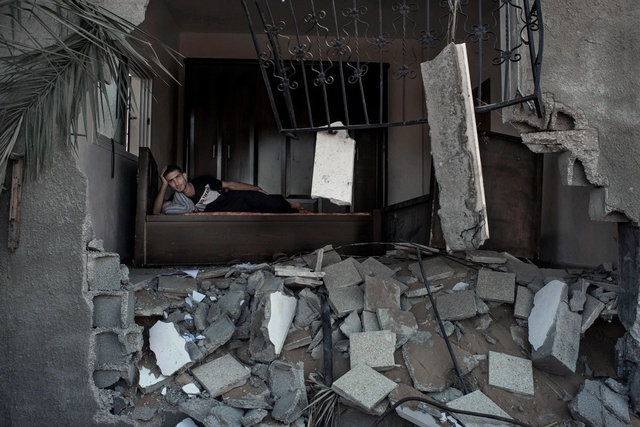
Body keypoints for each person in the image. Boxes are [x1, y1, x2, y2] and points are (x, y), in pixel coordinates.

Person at [152, 165, 302, 215]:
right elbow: (156, 211)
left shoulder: (202, 181)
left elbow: (229, 184)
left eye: (177, 177)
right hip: (222, 209)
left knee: (262, 200)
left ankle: (290, 204)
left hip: (231, 199)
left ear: (184, 176)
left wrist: (255, 187)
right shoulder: (179, 200)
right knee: (259, 213)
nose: (176, 183)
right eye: (171, 181)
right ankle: (292, 209)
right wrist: (163, 185)